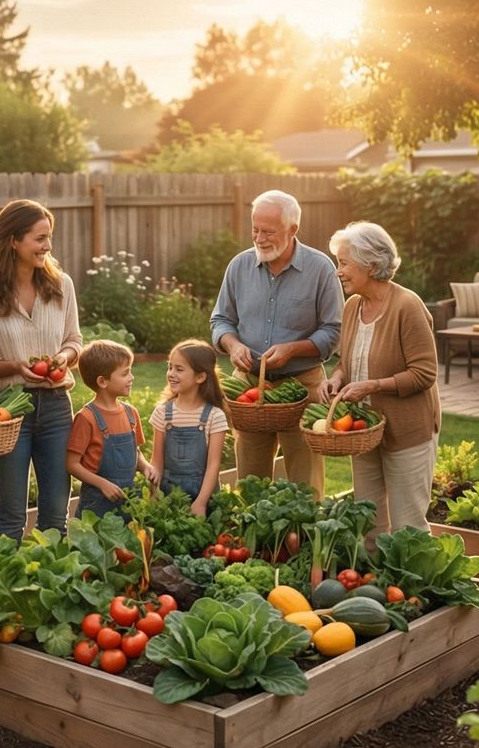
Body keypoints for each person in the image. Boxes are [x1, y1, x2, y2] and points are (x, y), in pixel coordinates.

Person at [210, 189, 343, 498]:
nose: (259, 238)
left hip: (303, 385)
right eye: (255, 229)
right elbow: (220, 321)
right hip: (249, 390)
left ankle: (307, 542)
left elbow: (334, 331)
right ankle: (257, 545)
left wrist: (293, 349)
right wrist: (232, 345)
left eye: (268, 231)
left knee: (305, 484)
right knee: (250, 484)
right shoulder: (239, 267)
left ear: (293, 229)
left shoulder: (321, 269)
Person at [315, 221, 440, 541]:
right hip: (365, 430)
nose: (337, 271)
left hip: (407, 431)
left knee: (407, 525)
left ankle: (416, 590)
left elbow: (424, 373)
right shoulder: (353, 305)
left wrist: (373, 386)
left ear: (370, 264)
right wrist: (338, 378)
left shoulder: (407, 306)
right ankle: (375, 589)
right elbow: (347, 360)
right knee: (368, 522)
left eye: (344, 263)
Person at [0, 199, 83, 540]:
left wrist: (63, 357)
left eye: (49, 238)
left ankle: (53, 587)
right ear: (14, 241)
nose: (47, 246)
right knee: (12, 516)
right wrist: (16, 366)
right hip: (8, 410)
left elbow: (75, 340)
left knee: (55, 513)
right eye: (39, 238)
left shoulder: (62, 285)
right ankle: (10, 589)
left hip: (56, 407)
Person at [66, 339, 157, 519]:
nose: (131, 378)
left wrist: (145, 466)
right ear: (102, 381)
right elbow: (72, 464)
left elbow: (135, 452)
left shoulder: (131, 413)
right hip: (97, 503)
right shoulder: (86, 418)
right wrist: (102, 484)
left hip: (127, 500)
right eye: (125, 373)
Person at [148, 339, 228, 516]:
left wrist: (201, 503)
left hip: (204, 498)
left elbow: (213, 465)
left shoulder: (215, 416)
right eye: (170, 367)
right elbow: (157, 462)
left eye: (179, 369)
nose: (171, 373)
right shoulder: (162, 412)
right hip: (168, 499)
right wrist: (154, 495)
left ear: (200, 377)